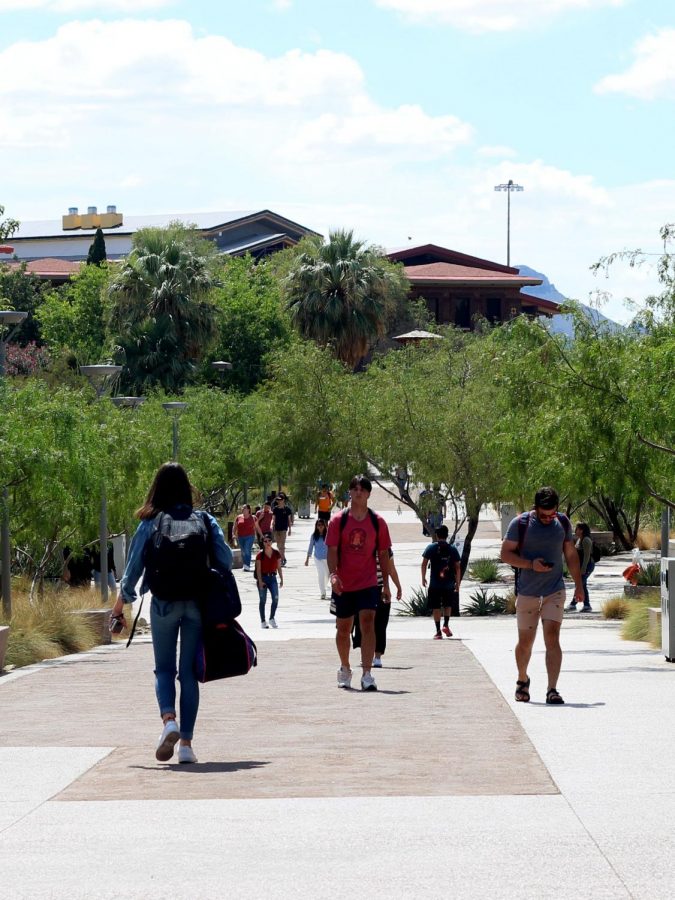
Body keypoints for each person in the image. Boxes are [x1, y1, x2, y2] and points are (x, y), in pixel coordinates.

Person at [110, 462, 233, 764]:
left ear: (157, 488)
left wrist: (120, 606)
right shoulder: (203, 519)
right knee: (189, 674)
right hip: (196, 604)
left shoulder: (150, 522)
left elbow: (133, 570)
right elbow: (227, 559)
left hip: (163, 603)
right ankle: (187, 746)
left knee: (164, 669)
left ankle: (169, 722)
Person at [500, 486, 583, 706]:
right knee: (525, 642)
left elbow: (571, 554)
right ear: (535, 508)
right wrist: (530, 565)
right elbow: (505, 553)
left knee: (552, 637)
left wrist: (579, 584)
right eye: (544, 515)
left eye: (552, 514)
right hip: (528, 591)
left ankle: (552, 689)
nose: (548, 519)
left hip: (554, 590)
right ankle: (522, 680)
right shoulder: (521, 524)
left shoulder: (563, 523)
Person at [326, 474, 392, 691]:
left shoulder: (378, 522)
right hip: (344, 584)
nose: (358, 492)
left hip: (368, 582)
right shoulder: (338, 520)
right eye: (354, 488)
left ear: (369, 494)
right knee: (343, 628)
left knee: (367, 624)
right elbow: (332, 550)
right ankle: (345, 668)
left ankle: (367, 674)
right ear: (350, 492)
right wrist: (333, 575)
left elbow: (383, 554)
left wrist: (386, 585)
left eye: (363, 489)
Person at [352, 548, 402, 667]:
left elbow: (391, 570)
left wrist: (398, 587)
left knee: (369, 623)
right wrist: (398, 587)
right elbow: (392, 570)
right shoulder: (385, 550)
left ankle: (373, 656)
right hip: (373, 589)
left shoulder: (372, 548)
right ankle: (374, 657)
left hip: (369, 589)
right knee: (376, 623)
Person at [421, 525, 462, 639]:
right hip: (448, 584)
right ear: (447, 535)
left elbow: (424, 563)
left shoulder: (431, 548)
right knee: (448, 604)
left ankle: (438, 631)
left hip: (434, 584)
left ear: (437, 535)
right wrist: (458, 583)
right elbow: (458, 567)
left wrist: (423, 577)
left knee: (436, 607)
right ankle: (446, 625)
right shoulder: (452, 549)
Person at [255, 533, 283, 628]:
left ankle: (272, 618)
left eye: (269, 541)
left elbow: (279, 567)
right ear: (263, 543)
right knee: (263, 600)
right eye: (265, 541)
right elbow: (258, 569)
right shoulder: (260, 555)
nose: (267, 543)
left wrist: (282, 579)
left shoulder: (276, 553)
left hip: (273, 578)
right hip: (263, 578)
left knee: (275, 598)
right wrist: (260, 581)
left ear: (272, 541)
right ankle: (263, 621)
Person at [568, 522, 595, 612]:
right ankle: (587, 605)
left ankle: (573, 604)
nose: (576, 530)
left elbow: (587, 556)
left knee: (579, 584)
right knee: (582, 585)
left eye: (577, 529)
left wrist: (583, 569)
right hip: (581, 566)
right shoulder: (580, 539)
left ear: (582, 530)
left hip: (587, 566)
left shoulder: (586, 540)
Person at [305, 518, 330, 599]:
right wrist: (307, 558)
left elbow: (332, 546)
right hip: (318, 558)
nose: (320, 527)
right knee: (321, 574)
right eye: (318, 525)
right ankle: (323, 593)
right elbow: (310, 547)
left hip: (327, 558)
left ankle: (325, 587)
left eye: (322, 525)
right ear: (316, 526)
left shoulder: (328, 535)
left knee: (327, 575)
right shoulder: (314, 536)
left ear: (324, 526)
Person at [233, 503, 256, 572]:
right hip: (241, 536)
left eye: (245, 508)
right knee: (243, 551)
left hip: (250, 536)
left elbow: (256, 527)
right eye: (242, 508)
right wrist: (233, 534)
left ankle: (247, 565)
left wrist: (260, 535)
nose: (243, 509)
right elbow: (235, 527)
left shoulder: (253, 517)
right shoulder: (238, 517)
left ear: (248, 510)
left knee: (247, 549)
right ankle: (245, 564)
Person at [272, 493, 293, 566]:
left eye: (280, 500)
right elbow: (273, 519)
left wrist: (290, 529)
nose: (279, 501)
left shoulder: (287, 509)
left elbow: (289, 520)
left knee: (282, 545)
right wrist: (272, 526)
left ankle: (281, 560)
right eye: (277, 500)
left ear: (283, 500)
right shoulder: (275, 509)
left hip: (284, 529)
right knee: (278, 545)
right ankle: (283, 558)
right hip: (276, 529)